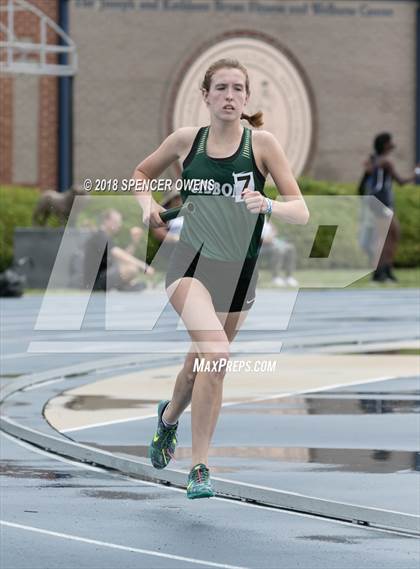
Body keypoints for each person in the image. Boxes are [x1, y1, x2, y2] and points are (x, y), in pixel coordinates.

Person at [132, 58, 309, 499]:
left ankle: (168, 418)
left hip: (239, 272)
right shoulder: (186, 141)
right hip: (191, 266)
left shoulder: (262, 145)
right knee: (216, 354)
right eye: (222, 88)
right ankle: (200, 468)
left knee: (201, 363)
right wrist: (146, 206)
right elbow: (139, 175)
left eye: (238, 89)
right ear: (206, 95)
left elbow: (301, 210)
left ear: (246, 98)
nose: (230, 96)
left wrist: (267, 206)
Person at [359, 133, 417, 282]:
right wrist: (416, 173)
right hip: (381, 202)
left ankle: (386, 270)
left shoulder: (373, 161)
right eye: (390, 142)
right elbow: (401, 181)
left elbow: (364, 183)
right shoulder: (385, 162)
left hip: (379, 202)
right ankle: (380, 272)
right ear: (385, 144)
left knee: (391, 234)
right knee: (386, 236)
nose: (393, 144)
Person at [83, 208, 154, 291]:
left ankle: (124, 286)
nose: (119, 224)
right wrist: (143, 266)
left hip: (104, 275)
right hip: (94, 281)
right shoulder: (100, 236)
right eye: (116, 221)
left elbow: (123, 256)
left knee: (129, 267)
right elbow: (118, 254)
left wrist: (134, 242)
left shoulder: (106, 237)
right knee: (131, 269)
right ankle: (123, 287)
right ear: (107, 221)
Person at [259, 220, 298, 287]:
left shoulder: (265, 217)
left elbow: (274, 229)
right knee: (276, 249)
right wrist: (266, 240)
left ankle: (289, 277)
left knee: (290, 248)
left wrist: (272, 236)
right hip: (261, 245)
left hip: (272, 242)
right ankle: (276, 277)